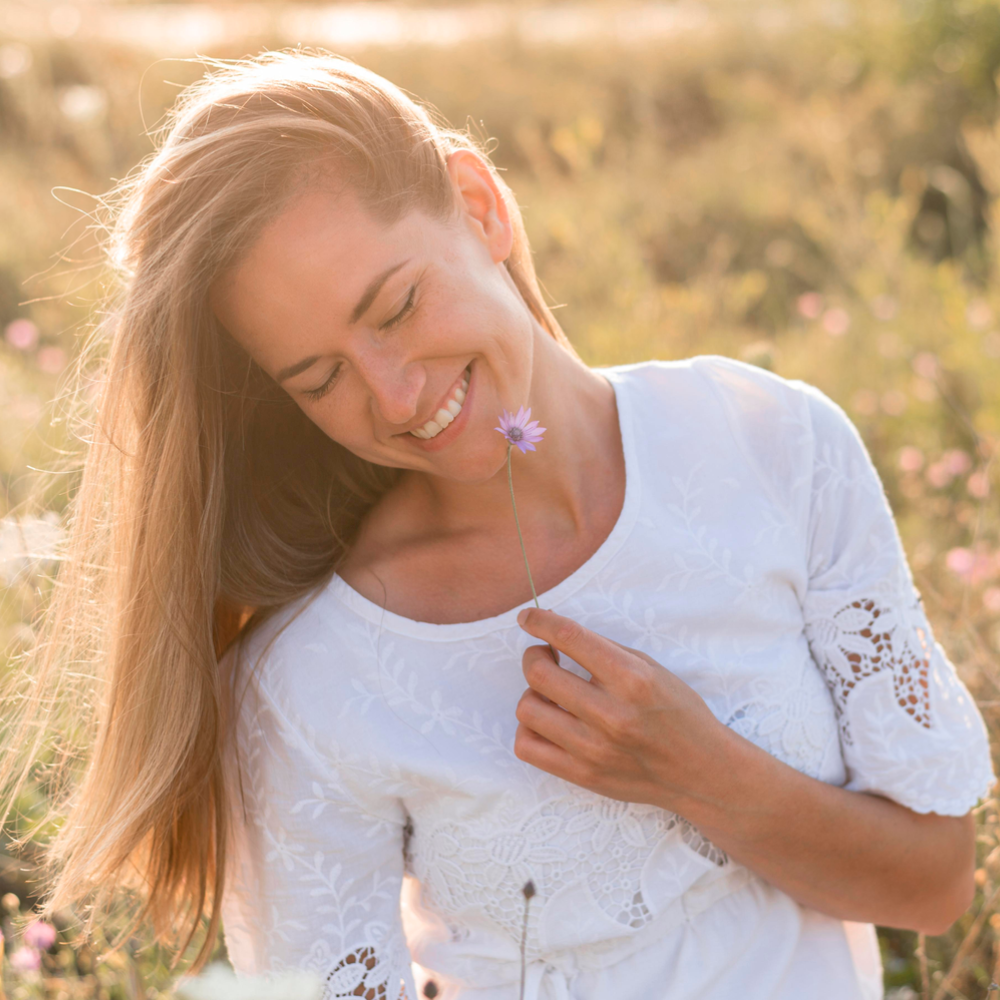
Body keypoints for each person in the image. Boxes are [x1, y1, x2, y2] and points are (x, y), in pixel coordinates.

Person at [8, 50, 994, 1000]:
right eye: (321, 376)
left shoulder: (776, 443)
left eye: (395, 306)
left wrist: (696, 771)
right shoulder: (310, 682)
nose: (394, 396)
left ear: (477, 208)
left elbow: (931, 880)